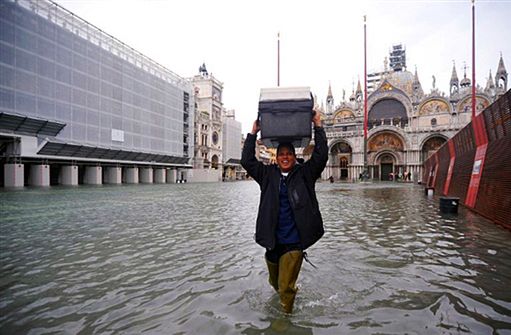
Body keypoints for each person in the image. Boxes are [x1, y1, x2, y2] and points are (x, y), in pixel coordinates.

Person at [241, 110, 328, 313]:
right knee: (276, 283)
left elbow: (321, 156)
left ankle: (284, 323)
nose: (285, 157)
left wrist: (318, 126)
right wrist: (253, 133)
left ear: (294, 156)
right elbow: (247, 161)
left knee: (285, 289)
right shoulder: (267, 174)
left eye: (289, 154)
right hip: (272, 241)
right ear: (277, 157)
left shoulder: (305, 174)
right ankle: (289, 296)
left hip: (294, 242)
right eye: (282, 154)